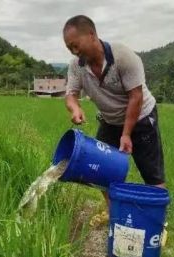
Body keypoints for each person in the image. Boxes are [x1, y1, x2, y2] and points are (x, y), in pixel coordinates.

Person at [62, 15, 166, 226]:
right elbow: (71, 94)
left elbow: (136, 97)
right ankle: (114, 213)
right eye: (69, 47)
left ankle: (158, 224)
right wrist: (75, 109)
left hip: (142, 118)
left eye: (75, 45)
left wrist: (127, 134)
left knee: (152, 174)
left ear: (91, 35)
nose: (74, 51)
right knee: (100, 169)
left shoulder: (124, 57)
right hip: (110, 121)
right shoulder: (76, 66)